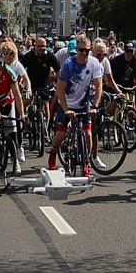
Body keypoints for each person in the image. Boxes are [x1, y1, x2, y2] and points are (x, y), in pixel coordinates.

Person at [46, 36, 103, 176]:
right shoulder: (68, 64)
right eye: (81, 50)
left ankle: (86, 162)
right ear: (76, 50)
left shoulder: (94, 63)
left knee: (88, 134)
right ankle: (53, 151)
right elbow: (59, 89)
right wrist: (66, 110)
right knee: (61, 134)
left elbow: (99, 86)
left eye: (87, 51)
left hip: (83, 103)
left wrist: (95, 105)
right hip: (66, 102)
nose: (84, 53)